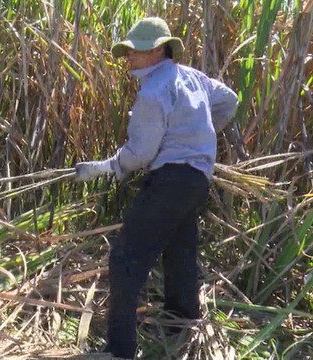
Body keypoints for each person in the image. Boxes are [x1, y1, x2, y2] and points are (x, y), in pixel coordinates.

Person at [74, 17, 238, 359]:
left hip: (169, 179)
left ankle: (119, 349)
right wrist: (200, 137)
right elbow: (229, 100)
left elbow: (140, 153)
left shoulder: (152, 91)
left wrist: (106, 168)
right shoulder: (192, 77)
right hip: (196, 179)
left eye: (134, 51)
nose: (128, 57)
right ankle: (182, 325)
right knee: (179, 250)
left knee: (125, 256)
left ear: (158, 50)